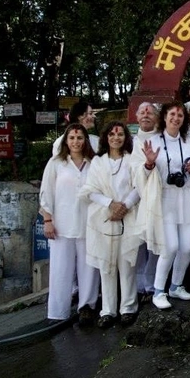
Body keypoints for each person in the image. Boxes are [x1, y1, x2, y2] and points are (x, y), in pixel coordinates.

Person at [133, 101, 190, 310]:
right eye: (172, 114)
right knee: (169, 246)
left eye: (180, 115)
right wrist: (149, 164)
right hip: (165, 200)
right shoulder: (152, 142)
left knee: (187, 246)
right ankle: (158, 290)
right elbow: (138, 176)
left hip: (187, 198)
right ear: (164, 117)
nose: (176, 118)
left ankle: (176, 285)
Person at [80, 121, 141, 328]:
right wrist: (110, 205)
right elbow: (90, 190)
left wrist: (125, 206)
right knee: (106, 266)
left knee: (126, 263)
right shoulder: (98, 162)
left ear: (126, 137)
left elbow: (139, 186)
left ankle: (128, 308)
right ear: (106, 137)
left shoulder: (132, 160)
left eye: (121, 134)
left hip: (128, 215)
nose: (116, 138)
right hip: (104, 217)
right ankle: (108, 310)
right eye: (113, 134)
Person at [40, 124, 100, 325]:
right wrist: (47, 220)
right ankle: (58, 312)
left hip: (88, 224)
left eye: (80, 138)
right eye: (72, 137)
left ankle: (87, 307)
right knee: (60, 270)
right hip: (61, 225)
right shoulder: (56, 163)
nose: (76, 141)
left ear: (86, 141)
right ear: (66, 140)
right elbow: (46, 193)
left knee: (89, 269)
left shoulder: (94, 164)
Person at [132, 102, 159, 299]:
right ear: (136, 116)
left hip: (159, 199)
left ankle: (152, 285)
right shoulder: (130, 142)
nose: (146, 115)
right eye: (142, 112)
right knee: (138, 244)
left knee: (156, 244)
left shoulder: (163, 139)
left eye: (150, 112)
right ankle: (138, 286)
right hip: (135, 199)